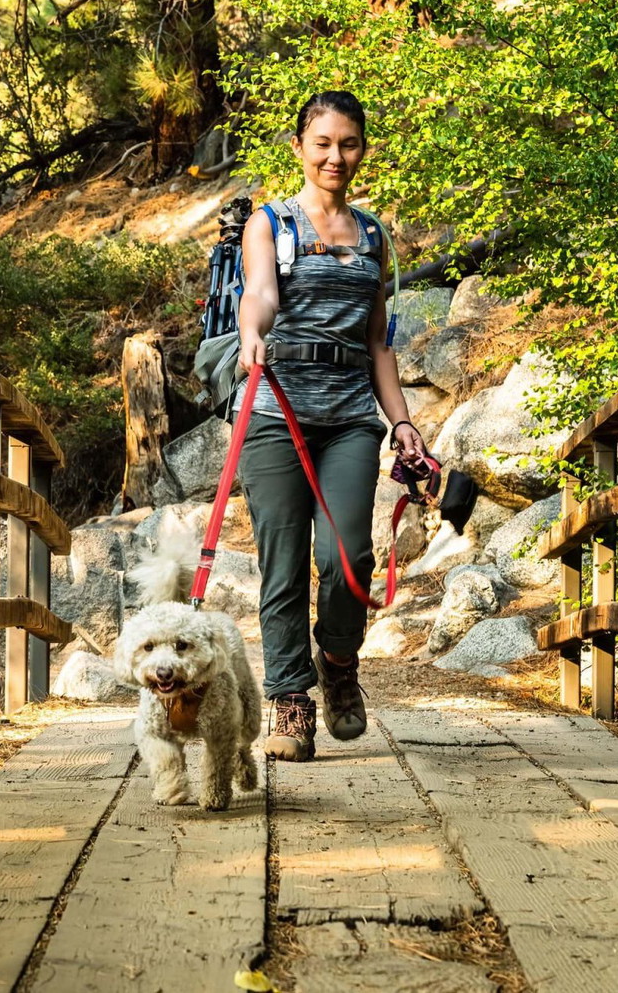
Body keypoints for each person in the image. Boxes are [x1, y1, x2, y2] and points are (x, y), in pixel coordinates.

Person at [235, 89, 426, 762]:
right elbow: (260, 293)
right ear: (299, 148)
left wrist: (402, 423)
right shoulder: (271, 223)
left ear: (362, 149)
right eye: (322, 144)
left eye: (348, 144)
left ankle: (339, 662)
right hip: (274, 413)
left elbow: (378, 342)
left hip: (348, 419)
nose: (335, 157)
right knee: (283, 565)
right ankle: (291, 701)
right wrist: (252, 333)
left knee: (347, 558)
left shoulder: (374, 237)